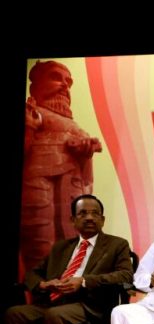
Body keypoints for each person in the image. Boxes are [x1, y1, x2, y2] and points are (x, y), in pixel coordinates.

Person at [4, 195, 133, 324]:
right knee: (16, 314)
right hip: (54, 302)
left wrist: (83, 281)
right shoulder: (61, 247)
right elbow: (32, 274)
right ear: (73, 220)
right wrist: (44, 284)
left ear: (103, 219)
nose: (89, 217)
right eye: (83, 213)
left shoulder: (116, 245)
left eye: (95, 213)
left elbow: (125, 276)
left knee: (56, 316)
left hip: (90, 306)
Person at [21, 60, 103, 271]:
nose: (65, 86)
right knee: (41, 249)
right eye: (56, 77)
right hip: (39, 189)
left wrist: (85, 153)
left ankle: (65, 297)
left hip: (71, 192)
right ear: (34, 86)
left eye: (68, 82)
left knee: (72, 246)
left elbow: (86, 175)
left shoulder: (72, 124)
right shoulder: (33, 111)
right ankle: (38, 299)